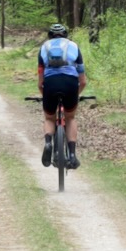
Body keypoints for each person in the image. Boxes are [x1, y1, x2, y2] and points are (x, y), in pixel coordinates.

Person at [37, 22, 85, 167]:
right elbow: (82, 81)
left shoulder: (43, 48)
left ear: (49, 36)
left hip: (50, 84)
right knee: (70, 118)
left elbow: (40, 83)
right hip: (70, 83)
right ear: (66, 35)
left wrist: (44, 94)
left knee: (49, 118)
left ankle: (47, 144)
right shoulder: (74, 46)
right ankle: (72, 155)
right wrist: (75, 95)